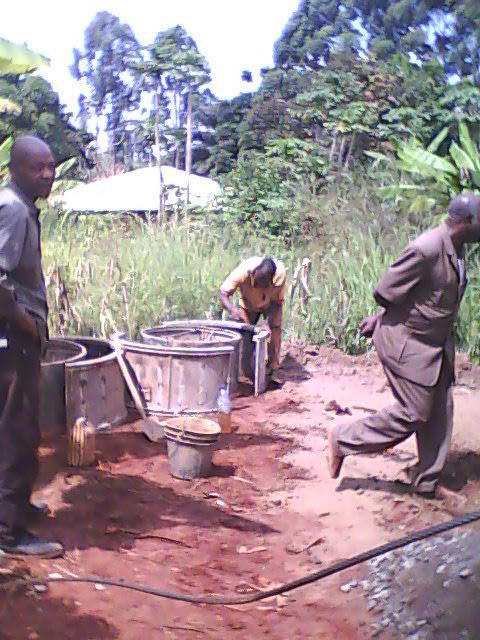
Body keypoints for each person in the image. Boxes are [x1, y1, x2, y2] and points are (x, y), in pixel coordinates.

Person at [327, 193, 480, 496]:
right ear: (467, 223)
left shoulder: (457, 249)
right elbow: (385, 291)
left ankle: (426, 482)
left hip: (435, 345)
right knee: (414, 413)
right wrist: (382, 316)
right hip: (407, 342)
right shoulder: (426, 249)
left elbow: (420, 293)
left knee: (440, 410)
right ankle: (343, 439)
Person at [0, 135, 63, 558]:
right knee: (17, 432)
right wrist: (27, 325)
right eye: (37, 167)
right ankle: (8, 533)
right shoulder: (14, 210)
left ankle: (17, 507)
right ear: (14, 168)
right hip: (13, 337)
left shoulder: (21, 207)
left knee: (17, 427)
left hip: (16, 335)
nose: (48, 174)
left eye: (52, 166)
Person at [220, 256, 286, 379]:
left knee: (274, 332)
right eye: (255, 282)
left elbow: (277, 303)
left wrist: (267, 322)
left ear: (270, 281)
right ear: (253, 273)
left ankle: (274, 368)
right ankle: (245, 370)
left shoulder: (279, 276)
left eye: (261, 285)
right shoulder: (243, 271)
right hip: (248, 304)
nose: (257, 286)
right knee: (246, 336)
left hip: (270, 304)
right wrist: (232, 310)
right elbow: (223, 293)